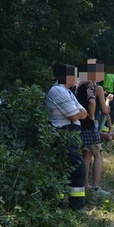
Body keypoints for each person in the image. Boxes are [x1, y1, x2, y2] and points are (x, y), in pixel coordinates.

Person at [46, 64, 87, 209]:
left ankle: (67, 205)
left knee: (72, 168)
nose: (76, 78)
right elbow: (76, 114)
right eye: (74, 75)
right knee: (76, 168)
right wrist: (78, 112)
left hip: (71, 134)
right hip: (64, 134)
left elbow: (84, 113)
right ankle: (72, 207)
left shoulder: (68, 92)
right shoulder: (58, 91)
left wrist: (78, 112)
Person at [74, 61, 111, 196]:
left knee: (87, 155)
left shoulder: (80, 82)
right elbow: (98, 105)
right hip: (89, 125)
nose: (103, 75)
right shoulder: (91, 84)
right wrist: (91, 116)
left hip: (80, 124)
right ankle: (95, 188)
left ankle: (85, 185)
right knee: (98, 154)